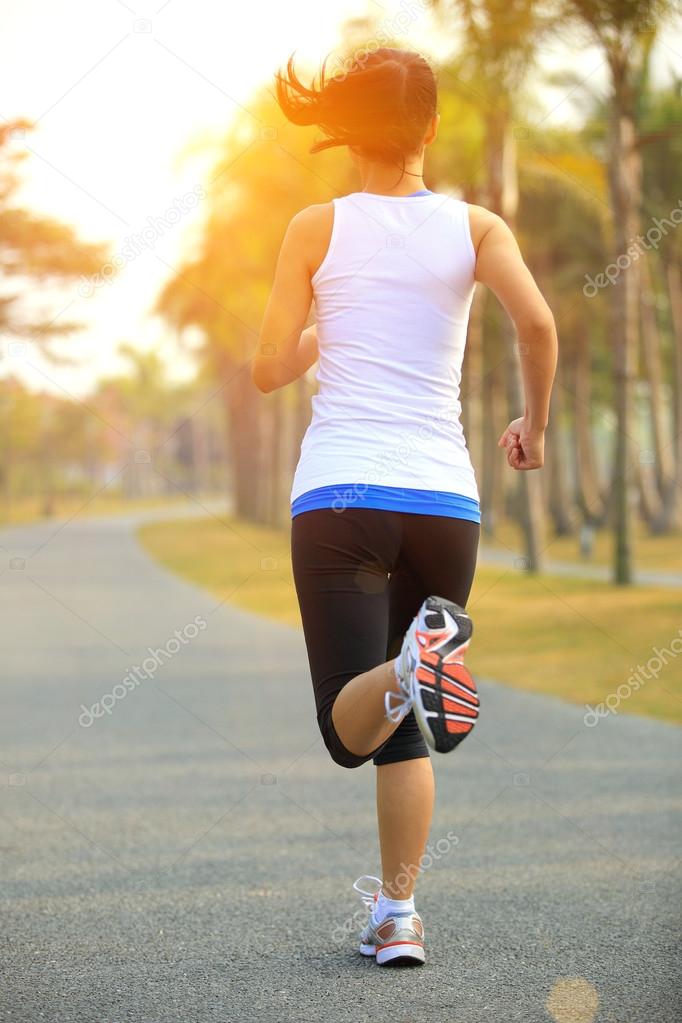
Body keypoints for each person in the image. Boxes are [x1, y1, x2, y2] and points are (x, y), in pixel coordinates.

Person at [252, 47, 557, 967]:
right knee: (406, 730)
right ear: (428, 130)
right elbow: (539, 324)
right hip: (442, 500)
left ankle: (404, 669)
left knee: (355, 729)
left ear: (350, 136)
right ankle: (398, 915)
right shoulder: (475, 226)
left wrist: (320, 332)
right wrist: (533, 430)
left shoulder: (316, 226)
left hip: (343, 494)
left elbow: (267, 368)